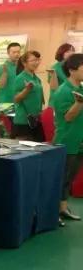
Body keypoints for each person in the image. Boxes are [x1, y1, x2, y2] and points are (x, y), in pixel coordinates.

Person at [52, 53, 83, 223]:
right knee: (61, 179)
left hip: (79, 141)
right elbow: (68, 117)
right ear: (72, 70)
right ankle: (52, 213)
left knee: (69, 180)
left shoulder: (81, 88)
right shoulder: (63, 91)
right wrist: (79, 103)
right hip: (67, 141)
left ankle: (63, 209)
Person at [12, 50, 44, 141]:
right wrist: (27, 90)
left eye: (38, 60)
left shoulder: (36, 78)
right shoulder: (20, 78)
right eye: (33, 60)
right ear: (24, 63)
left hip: (35, 119)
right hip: (23, 121)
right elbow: (16, 99)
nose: (36, 63)